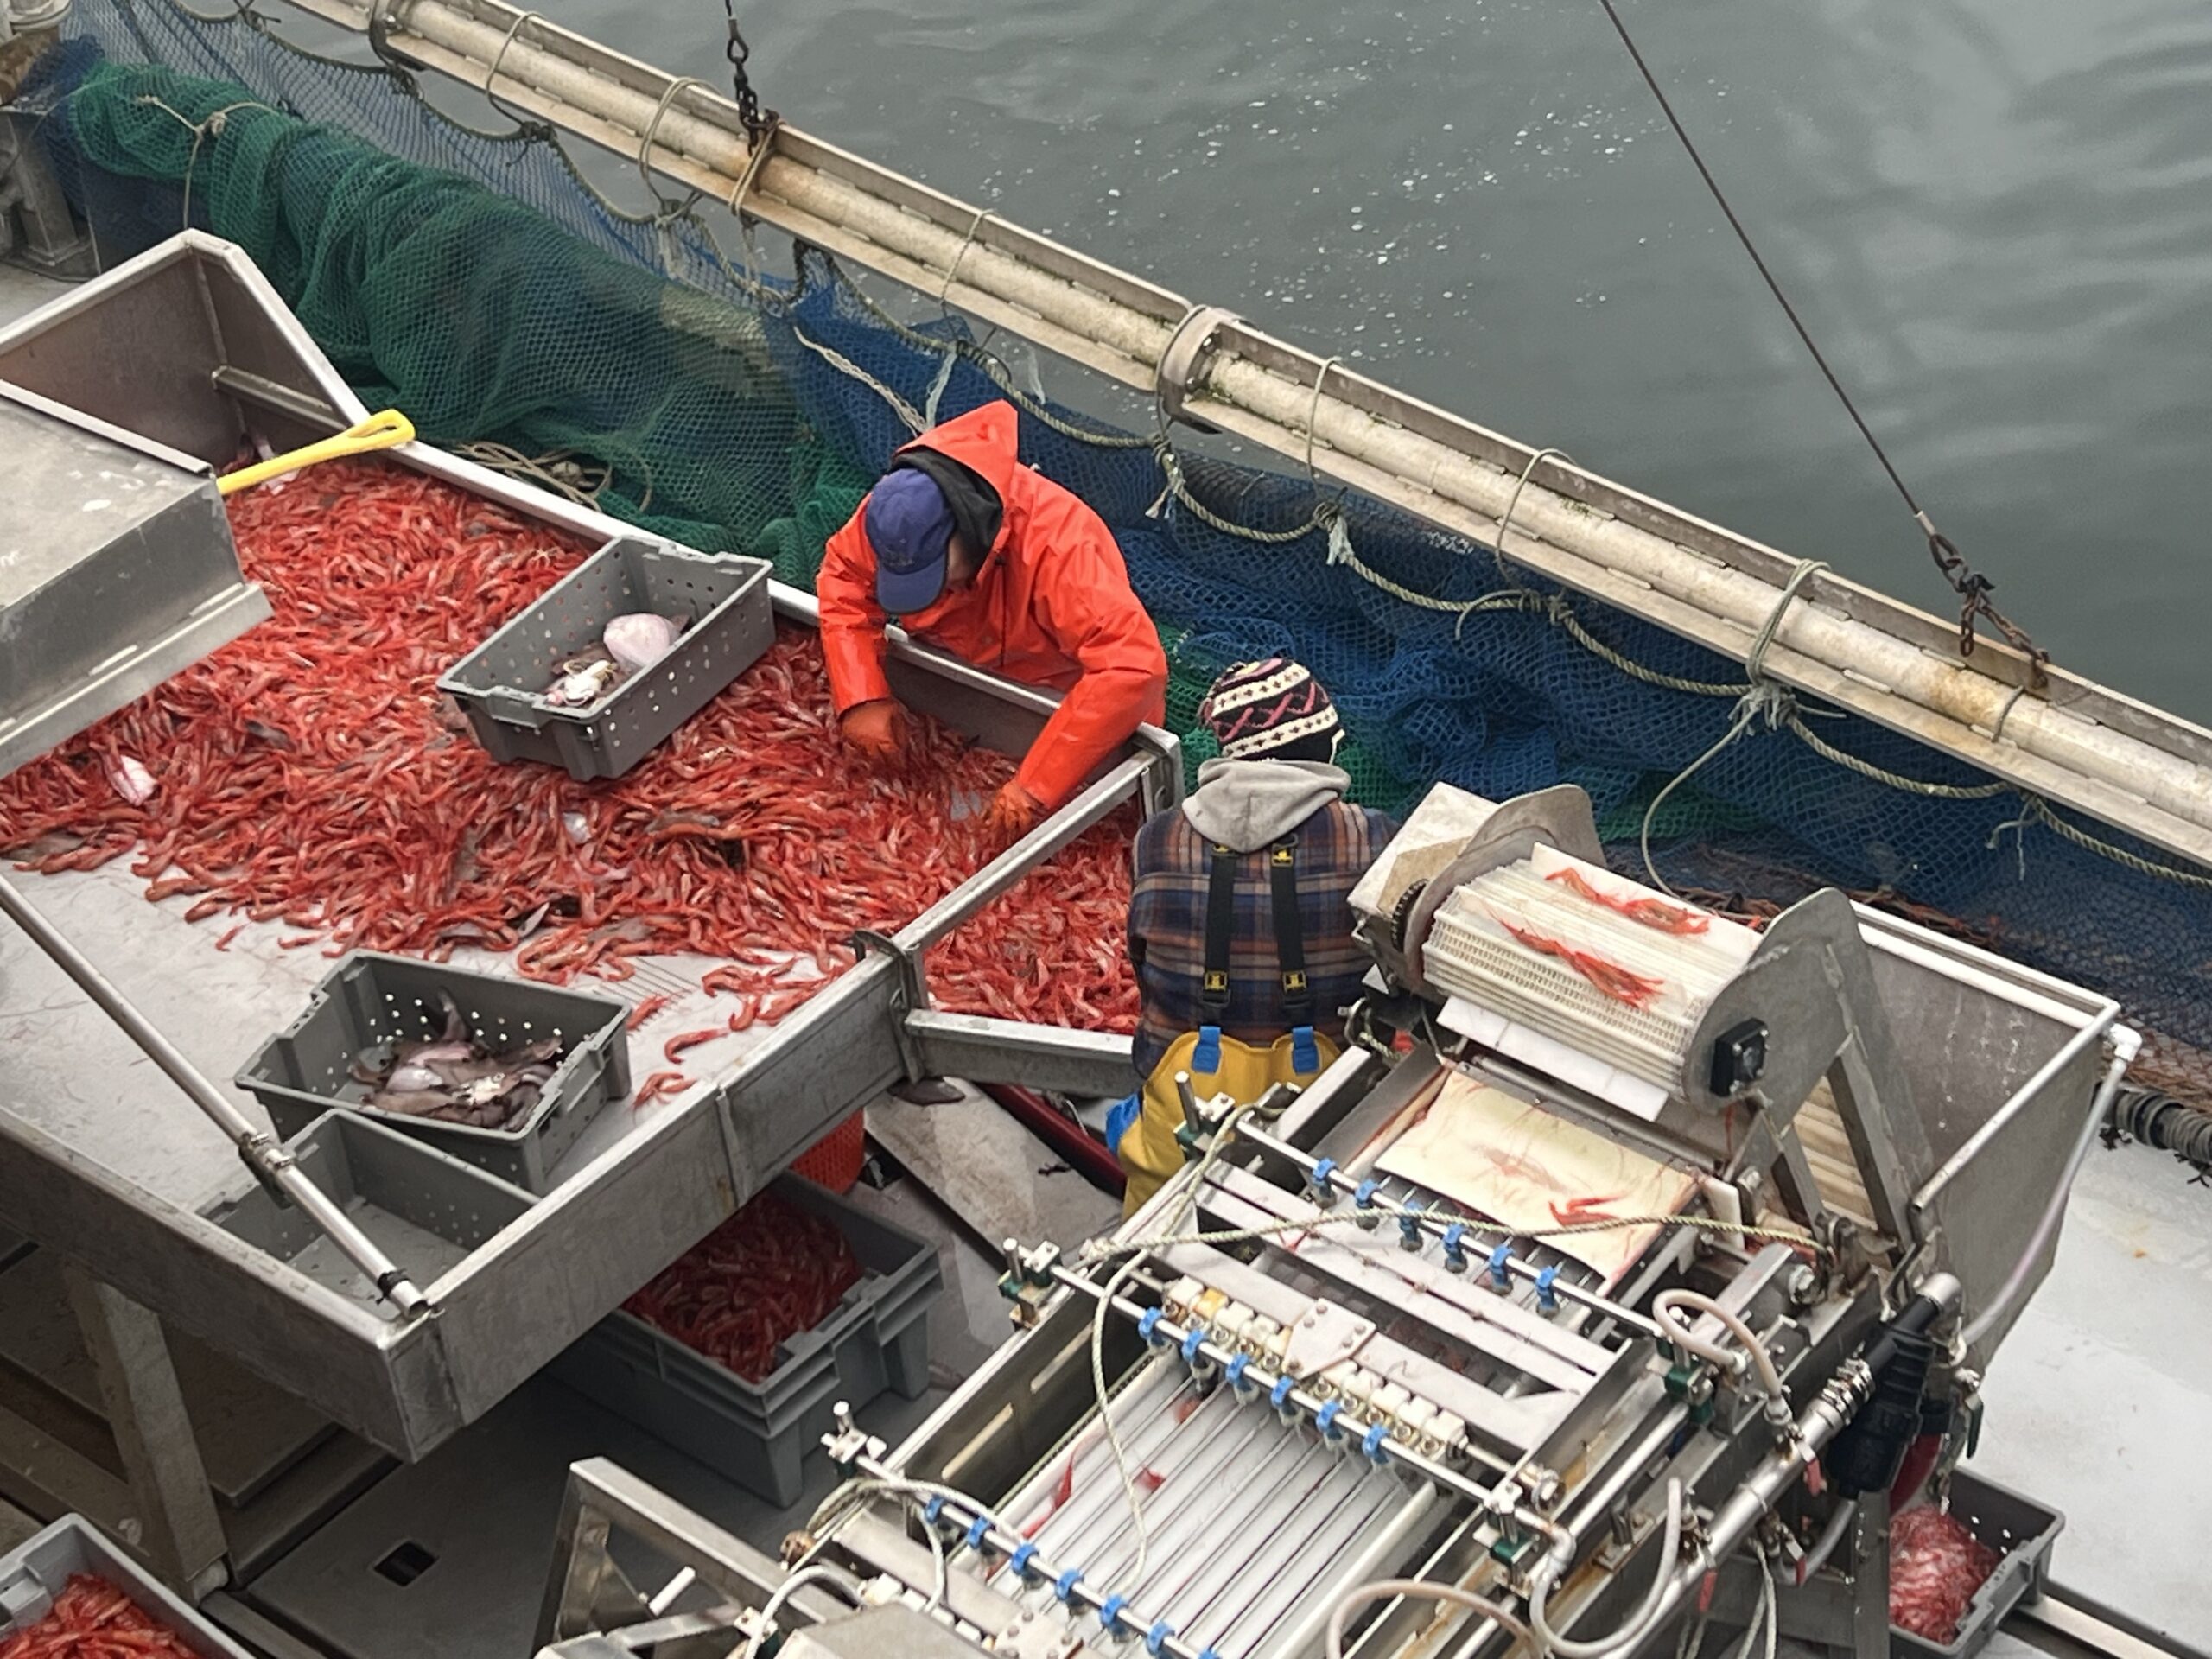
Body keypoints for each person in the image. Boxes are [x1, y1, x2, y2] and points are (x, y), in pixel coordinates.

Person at [1114, 658, 1398, 1211]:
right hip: (1321, 1123)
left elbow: (1143, 964)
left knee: (1153, 1263)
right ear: (1320, 750)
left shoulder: (1158, 839)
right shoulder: (1371, 840)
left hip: (1182, 1122)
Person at [817, 400, 1168, 838]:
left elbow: (1133, 667)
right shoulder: (898, 514)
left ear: (968, 531)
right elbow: (845, 579)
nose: (931, 590)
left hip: (1071, 698)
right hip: (964, 665)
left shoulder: (1059, 549)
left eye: (934, 576)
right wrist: (862, 694)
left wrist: (1035, 786)